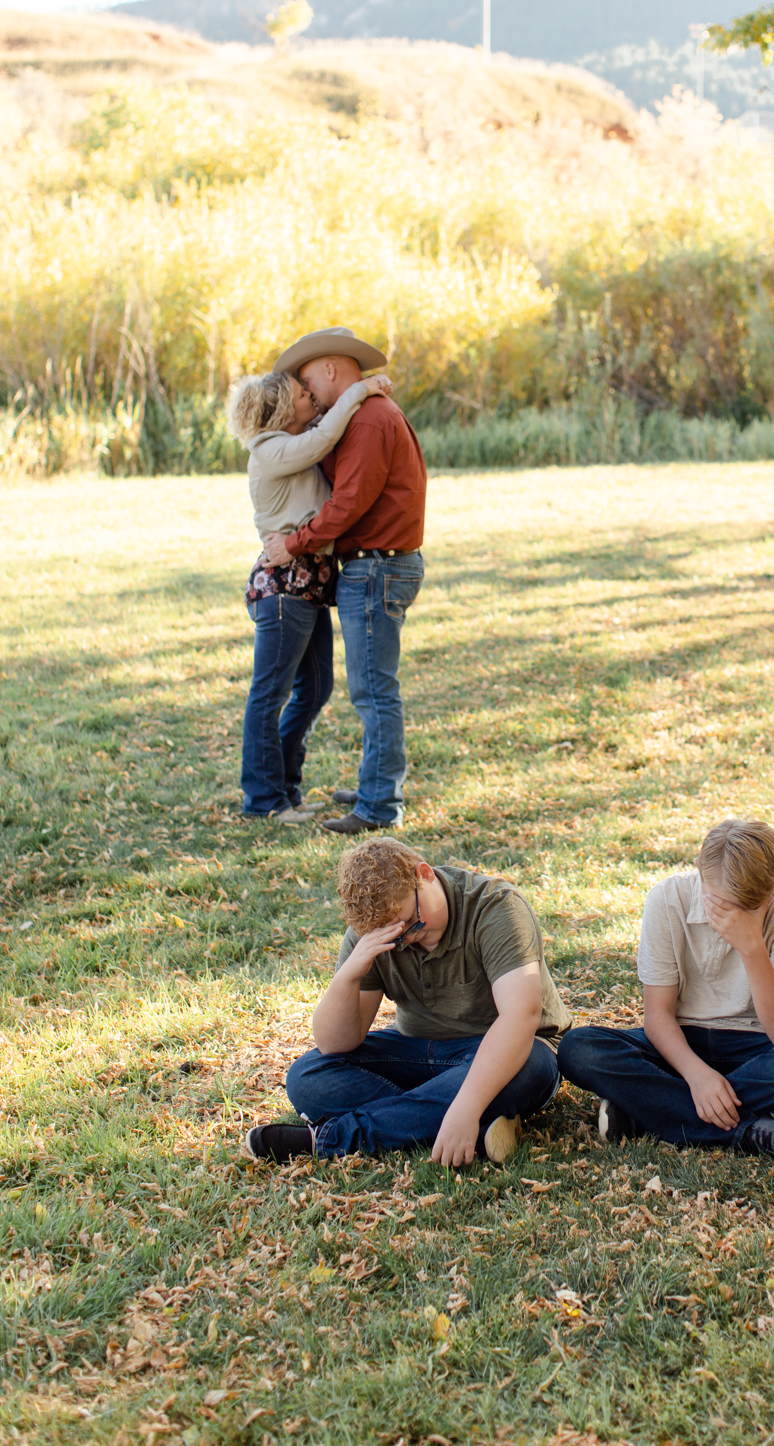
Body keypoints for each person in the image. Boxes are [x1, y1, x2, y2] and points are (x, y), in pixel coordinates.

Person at [244, 838, 569, 1165]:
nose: (408, 938)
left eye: (413, 922)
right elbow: (336, 1044)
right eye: (395, 936)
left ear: (424, 874)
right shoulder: (376, 926)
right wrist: (348, 977)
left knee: (533, 1067)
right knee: (308, 1076)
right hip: (419, 1050)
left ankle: (333, 1138)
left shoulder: (496, 907)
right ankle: (459, 1123)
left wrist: (466, 1105)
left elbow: (520, 1018)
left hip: (510, 1048)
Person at [557, 818, 774, 1162]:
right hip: (678, 1044)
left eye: (747, 906)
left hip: (754, 1048)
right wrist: (697, 1077)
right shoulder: (667, 899)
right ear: (698, 870)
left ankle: (648, 1112)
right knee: (579, 1048)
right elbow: (658, 1015)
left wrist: (751, 945)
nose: (730, 915)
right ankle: (751, 1133)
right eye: (721, 902)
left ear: (772, 889)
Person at [261, 327, 428, 837]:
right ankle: (378, 786)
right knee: (371, 688)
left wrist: (290, 544)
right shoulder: (361, 417)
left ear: (331, 369)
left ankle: (379, 805)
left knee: (374, 692)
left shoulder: (371, 420)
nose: (307, 394)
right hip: (375, 565)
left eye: (309, 382)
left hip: (376, 567)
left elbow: (347, 504)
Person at [227, 364, 389, 820]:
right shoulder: (270, 449)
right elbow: (321, 439)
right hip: (283, 588)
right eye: (303, 394)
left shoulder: (291, 446)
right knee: (269, 694)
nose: (311, 398)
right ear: (284, 408)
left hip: (307, 586)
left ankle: (284, 786)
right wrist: (358, 389)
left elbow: (324, 436)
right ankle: (264, 801)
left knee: (316, 688)